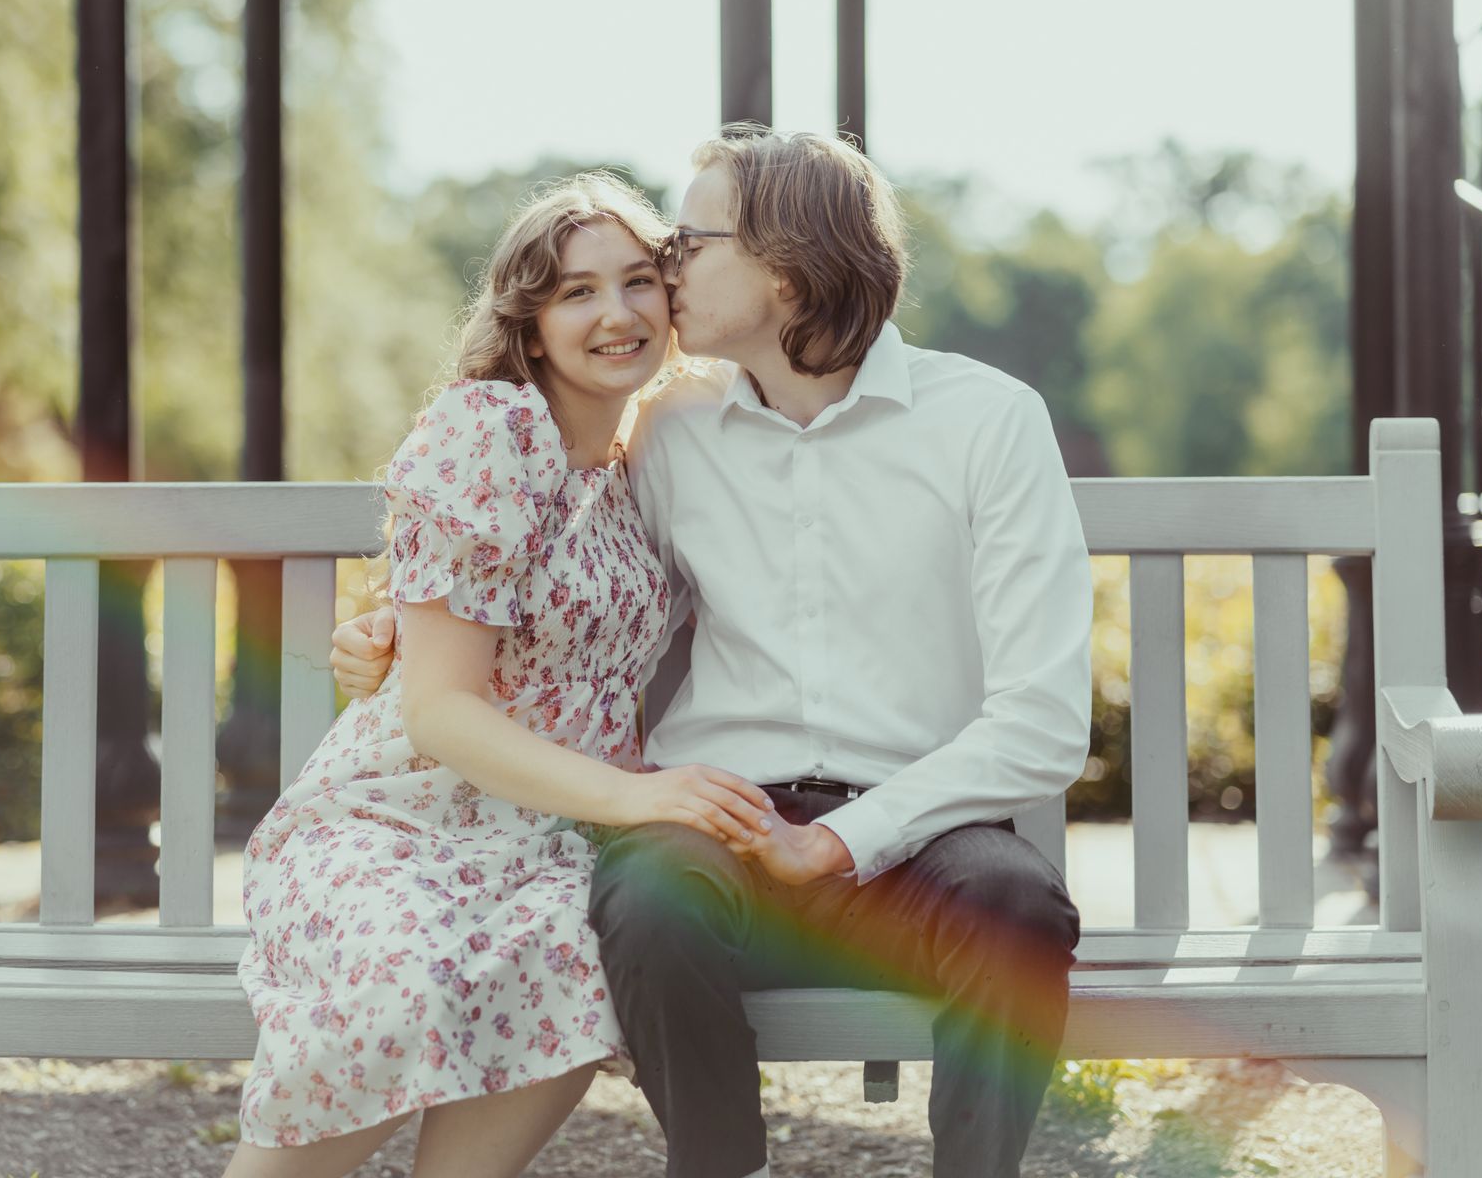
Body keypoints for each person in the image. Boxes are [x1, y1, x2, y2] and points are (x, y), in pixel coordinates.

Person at [329, 126, 1093, 1178]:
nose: (667, 269)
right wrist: (399, 631)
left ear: (786, 262)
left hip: (918, 830)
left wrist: (835, 842)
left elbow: (1043, 720)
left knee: (1018, 906)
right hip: (714, 814)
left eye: (689, 243)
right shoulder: (672, 428)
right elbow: (560, 577)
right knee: (648, 896)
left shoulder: (989, 423)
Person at [224, 172, 778, 1178]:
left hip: (550, 836)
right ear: (527, 325)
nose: (616, 313)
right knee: (399, 980)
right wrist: (638, 793)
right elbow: (437, 710)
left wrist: (398, 618)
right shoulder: (488, 427)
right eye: (575, 292)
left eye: (639, 281)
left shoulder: (641, 450)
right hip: (405, 813)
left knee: (577, 952)